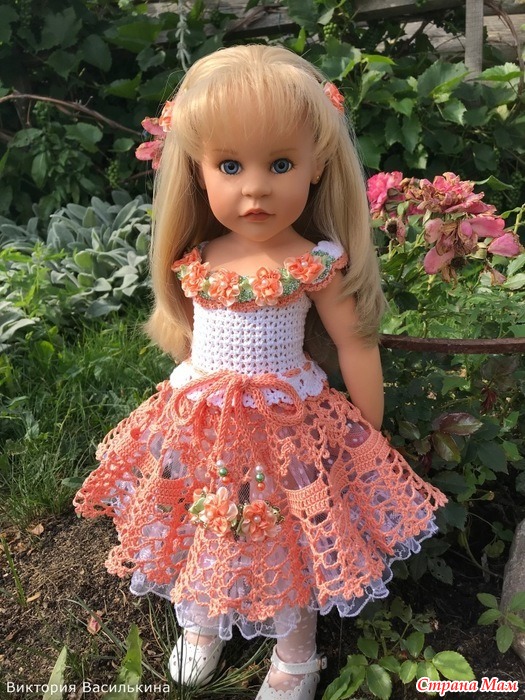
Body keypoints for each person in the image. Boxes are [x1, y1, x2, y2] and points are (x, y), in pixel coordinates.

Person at [74, 44, 447, 700]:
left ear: (316, 165)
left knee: (286, 534)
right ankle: (202, 619)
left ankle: (296, 654)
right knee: (197, 518)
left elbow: (355, 345)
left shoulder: (313, 263)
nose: (254, 188)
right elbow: (192, 337)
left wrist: (367, 434)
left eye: (279, 164)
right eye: (229, 166)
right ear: (197, 171)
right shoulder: (199, 255)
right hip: (199, 425)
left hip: (286, 427)